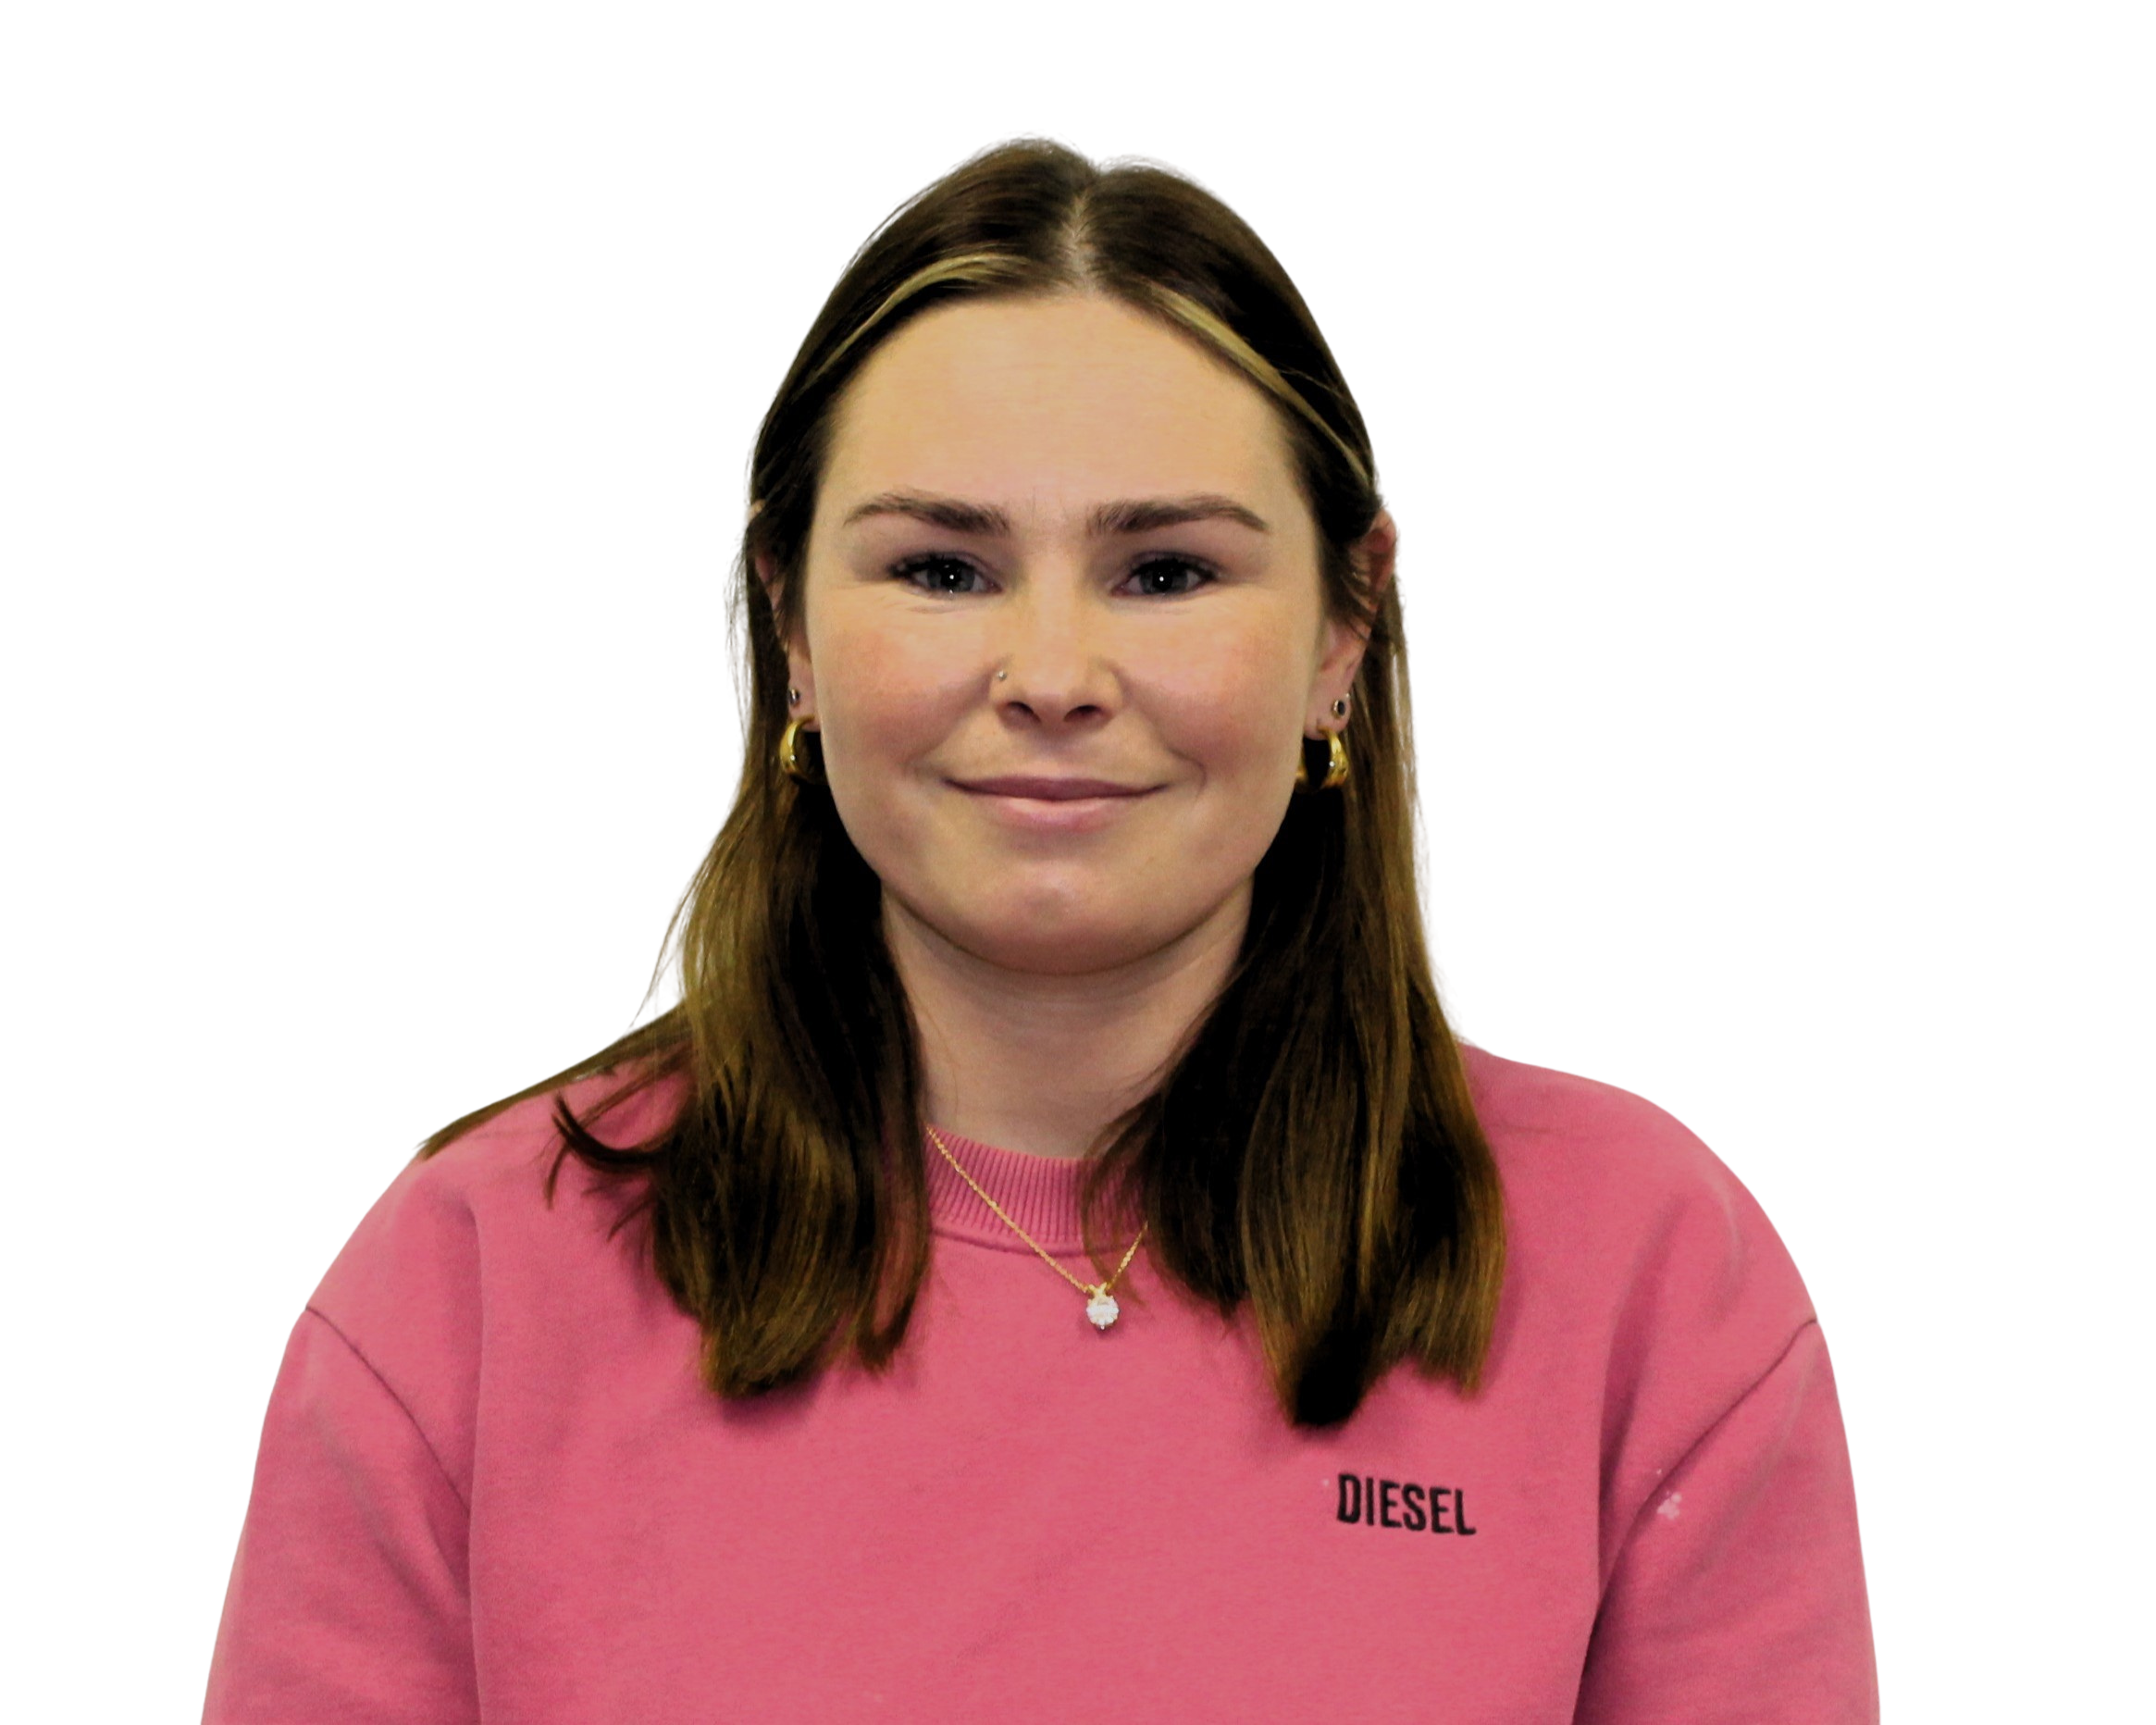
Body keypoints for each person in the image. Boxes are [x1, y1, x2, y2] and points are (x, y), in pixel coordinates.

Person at [204, 130, 1880, 1720]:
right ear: (789, 622)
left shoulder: (1648, 1280)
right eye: (942, 568)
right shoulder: (469, 1286)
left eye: (1164, 571)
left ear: (1342, 632)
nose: (1055, 678)